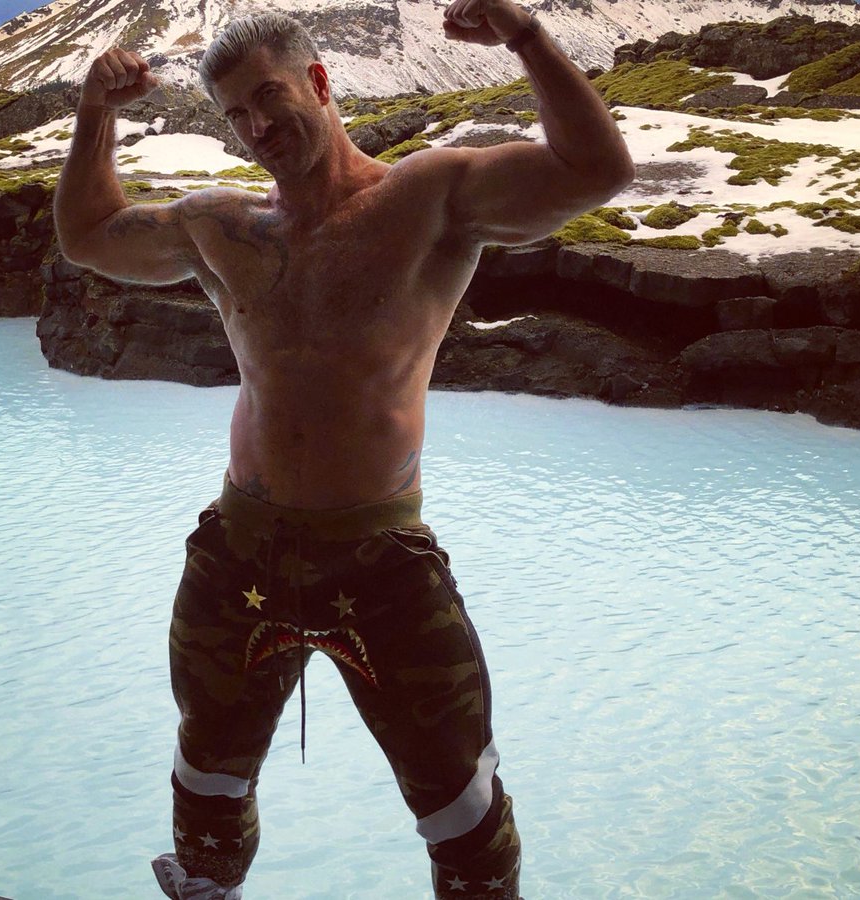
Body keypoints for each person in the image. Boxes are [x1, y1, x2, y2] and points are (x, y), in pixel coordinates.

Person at [54, 0, 634, 896]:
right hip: (241, 549)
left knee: (461, 801)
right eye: (236, 114)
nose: (256, 127)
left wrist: (526, 38)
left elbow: (596, 170)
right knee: (206, 774)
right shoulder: (222, 226)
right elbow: (88, 236)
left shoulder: (427, 198)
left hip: (379, 557)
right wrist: (95, 112)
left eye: (268, 97)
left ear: (319, 83)